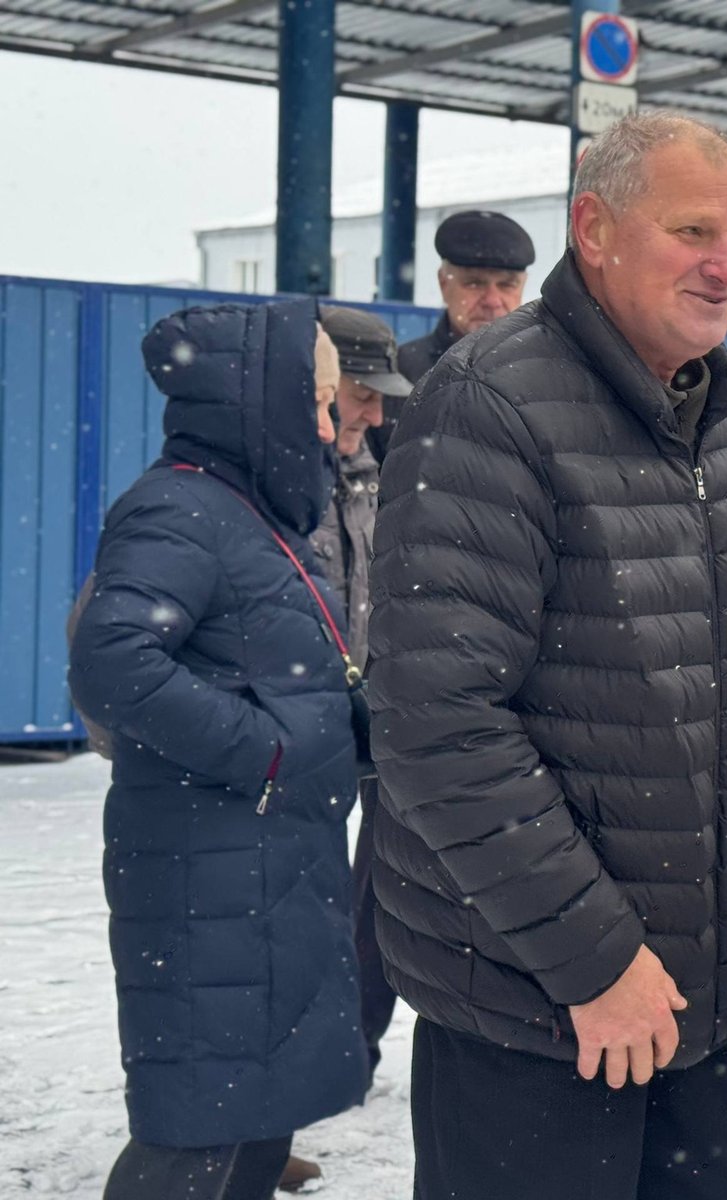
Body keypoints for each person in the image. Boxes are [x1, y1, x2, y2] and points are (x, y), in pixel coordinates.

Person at [365, 112, 727, 1200]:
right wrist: (594, 959)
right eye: (693, 232)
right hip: (534, 1012)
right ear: (594, 230)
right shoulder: (486, 404)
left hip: (685, 1005)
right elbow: (438, 725)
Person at [68, 300, 367, 1200]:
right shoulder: (180, 510)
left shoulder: (244, 511)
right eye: (315, 402)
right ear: (256, 400)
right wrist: (268, 755)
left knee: (252, 1125)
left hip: (264, 870)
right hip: (211, 877)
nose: (329, 427)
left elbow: (269, 667)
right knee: (199, 1134)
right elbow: (112, 661)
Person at [310, 306, 412, 1076]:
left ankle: (350, 1046)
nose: (375, 414)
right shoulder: (273, 480)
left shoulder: (376, 470)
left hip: (375, 723)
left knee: (377, 895)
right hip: (295, 738)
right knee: (296, 904)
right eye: (360, 394)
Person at [369, 209, 534, 462]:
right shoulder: (399, 374)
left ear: (523, 287)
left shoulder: (546, 372)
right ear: (443, 283)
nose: (492, 300)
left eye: (506, 285)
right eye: (474, 283)